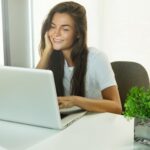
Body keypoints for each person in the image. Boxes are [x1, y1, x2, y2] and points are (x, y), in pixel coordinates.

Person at [36, 1, 122, 114]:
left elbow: (116, 107)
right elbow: (32, 92)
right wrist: (46, 52)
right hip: (67, 122)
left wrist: (76, 101)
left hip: (95, 121)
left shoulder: (96, 58)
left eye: (65, 29)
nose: (56, 33)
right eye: (53, 27)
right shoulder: (52, 57)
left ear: (78, 33)